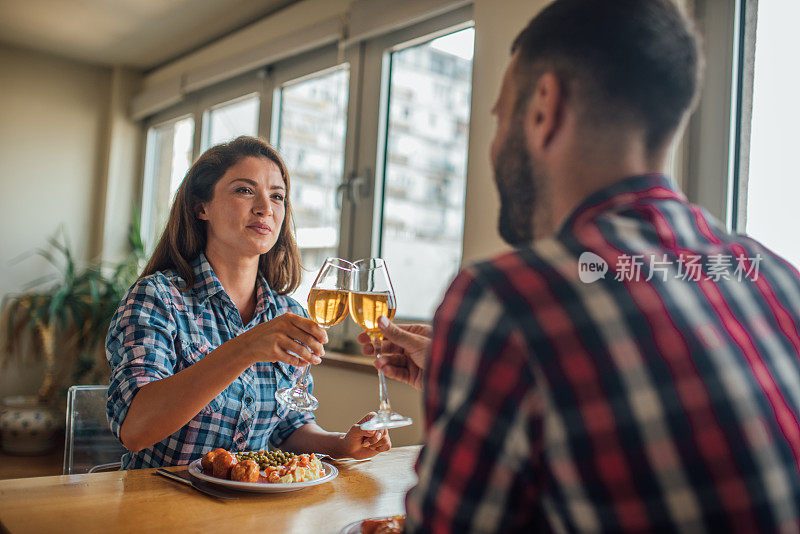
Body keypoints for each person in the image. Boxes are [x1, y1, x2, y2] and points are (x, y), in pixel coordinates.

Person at [359, 0, 800, 531]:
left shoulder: (507, 300)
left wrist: (489, 349)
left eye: (500, 116)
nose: (495, 144)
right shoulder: (777, 279)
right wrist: (461, 372)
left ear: (545, 106)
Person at [106, 136, 390, 469]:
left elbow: (289, 427)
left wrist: (342, 444)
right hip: (160, 504)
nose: (265, 208)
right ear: (202, 207)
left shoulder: (289, 313)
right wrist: (245, 348)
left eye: (277, 196)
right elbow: (135, 430)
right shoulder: (157, 298)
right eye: (244, 190)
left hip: (255, 509)